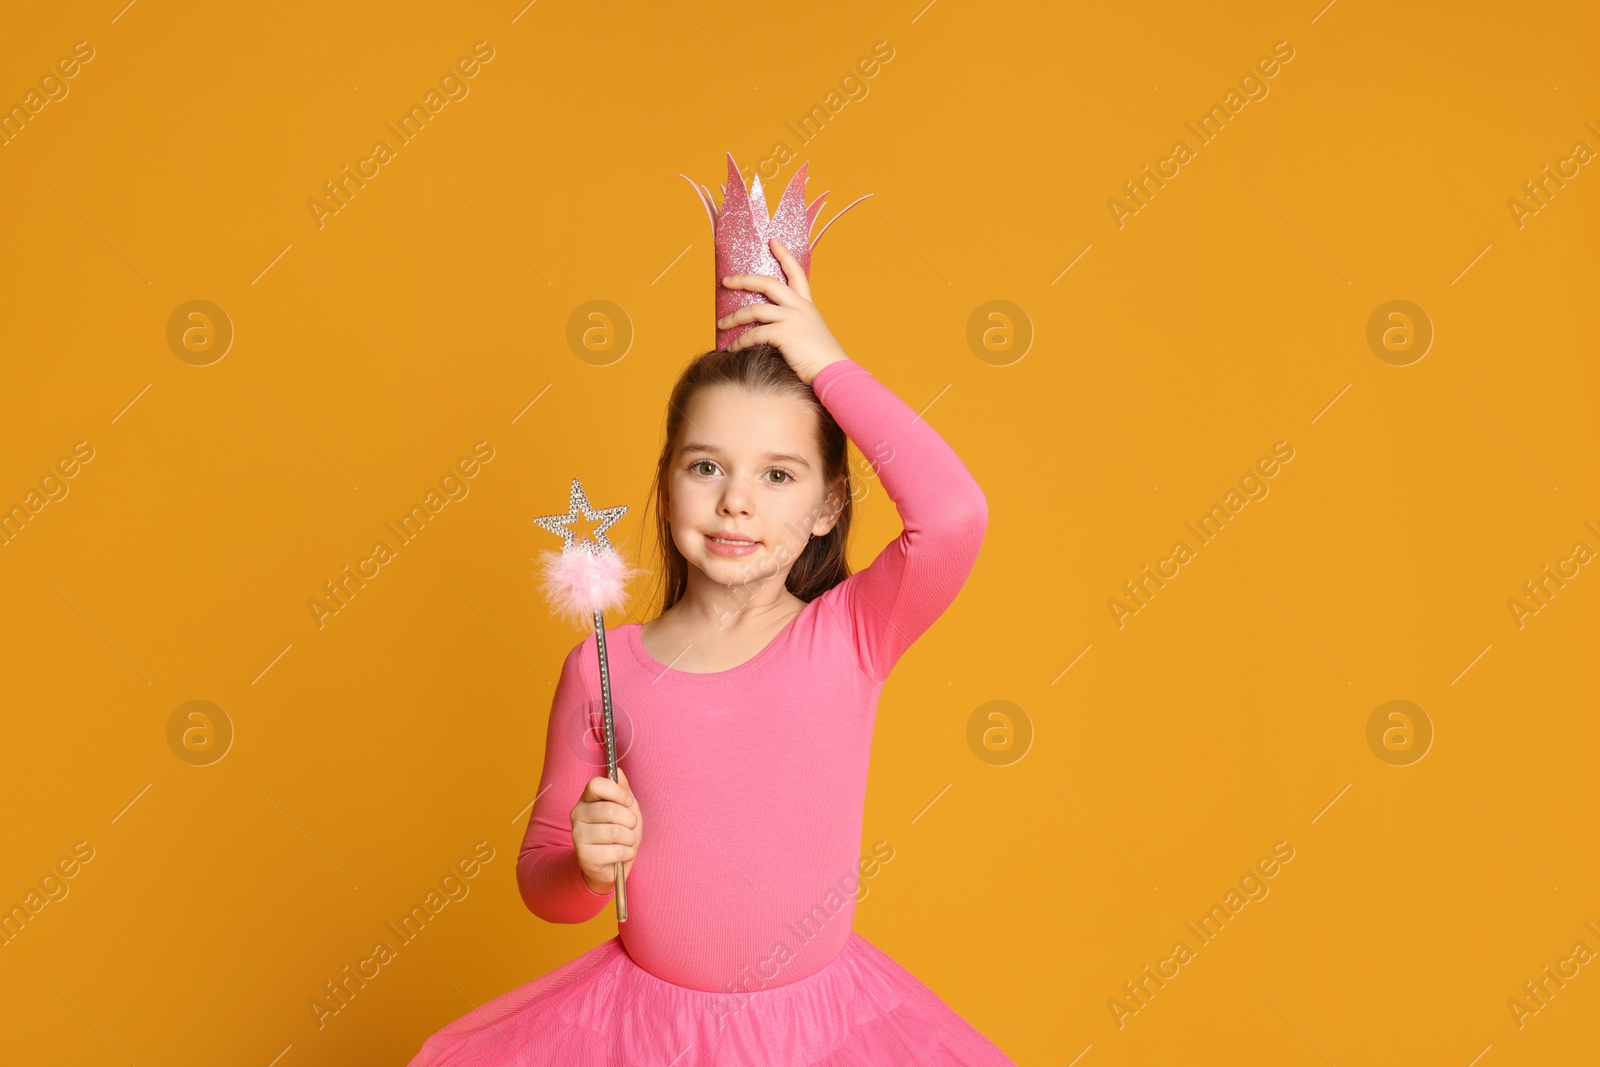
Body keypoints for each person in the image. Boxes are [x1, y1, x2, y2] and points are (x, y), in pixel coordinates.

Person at [407, 237, 1013, 1064]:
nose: (735, 503)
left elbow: (953, 515)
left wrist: (826, 361)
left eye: (778, 475)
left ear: (830, 503)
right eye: (706, 466)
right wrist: (584, 866)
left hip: (819, 1038)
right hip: (642, 1037)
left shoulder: (850, 633)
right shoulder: (603, 667)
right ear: (667, 481)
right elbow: (545, 886)